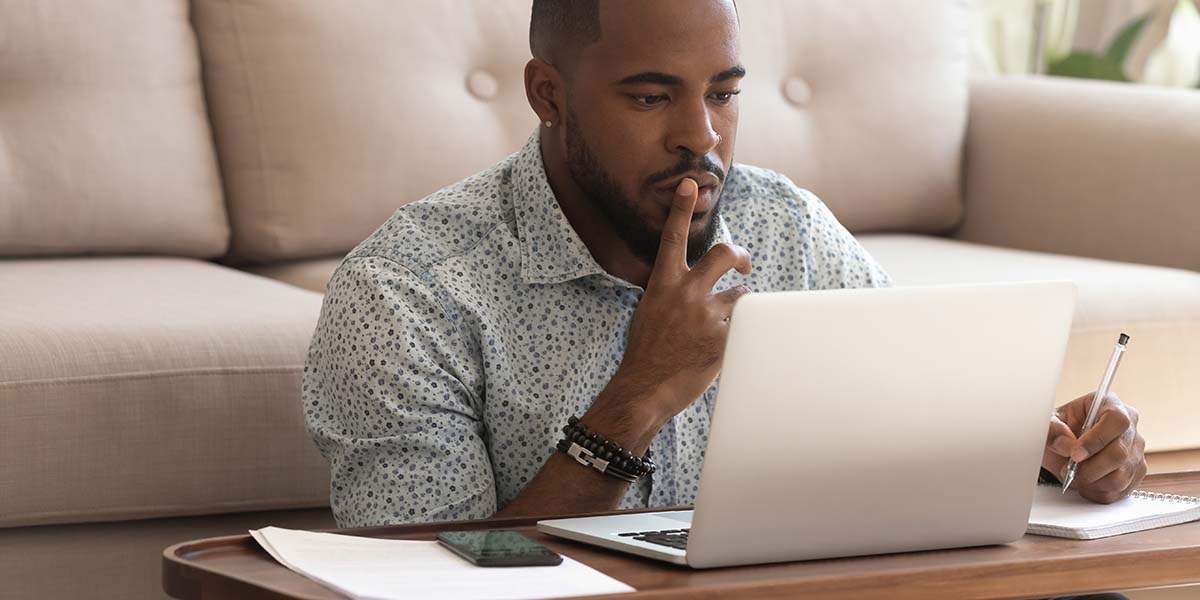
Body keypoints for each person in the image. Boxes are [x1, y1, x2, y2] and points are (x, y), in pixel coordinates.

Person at [304, 0, 1145, 562]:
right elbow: (429, 581)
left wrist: (1052, 455)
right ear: (548, 94)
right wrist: (639, 396)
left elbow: (922, 429)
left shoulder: (789, 230)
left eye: (725, 94)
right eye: (650, 98)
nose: (700, 136)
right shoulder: (406, 296)